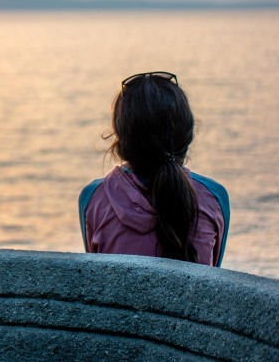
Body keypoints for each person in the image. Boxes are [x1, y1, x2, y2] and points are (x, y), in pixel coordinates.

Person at [79, 71, 229, 266]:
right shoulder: (215, 198)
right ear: (187, 134)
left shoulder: (94, 199)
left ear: (122, 139)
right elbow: (213, 276)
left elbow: (97, 275)